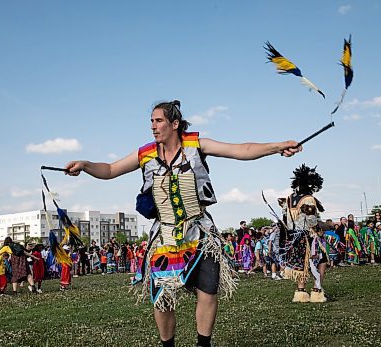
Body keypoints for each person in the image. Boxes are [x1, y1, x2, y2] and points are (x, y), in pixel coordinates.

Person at [64, 100, 301, 347]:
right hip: (164, 237)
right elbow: (111, 169)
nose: (153, 127)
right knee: (162, 298)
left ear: (174, 123)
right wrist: (86, 165)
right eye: (152, 122)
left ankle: (203, 344)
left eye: (159, 121)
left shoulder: (196, 145)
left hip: (200, 233)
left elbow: (241, 150)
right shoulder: (145, 154)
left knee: (208, 291)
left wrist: (277, 146)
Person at [281, 164, 326, 303]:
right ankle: (317, 291)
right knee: (322, 260)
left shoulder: (288, 199)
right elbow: (311, 220)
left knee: (300, 265)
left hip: (293, 236)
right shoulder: (308, 199)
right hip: (309, 236)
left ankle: (300, 293)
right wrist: (319, 230)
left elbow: (285, 218)